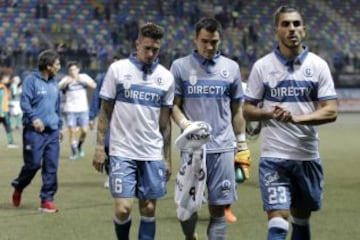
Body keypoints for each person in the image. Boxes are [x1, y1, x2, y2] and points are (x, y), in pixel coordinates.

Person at [243, 6, 338, 240]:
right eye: (285, 24)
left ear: (304, 30)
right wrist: (269, 113)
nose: (291, 29)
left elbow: (331, 111)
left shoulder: (318, 66)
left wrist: (296, 118)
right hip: (274, 158)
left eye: (296, 24)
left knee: (301, 220)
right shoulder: (262, 67)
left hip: (307, 156)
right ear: (277, 31)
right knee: (278, 220)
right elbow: (247, 110)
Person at [92, 22, 174, 240]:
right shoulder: (117, 70)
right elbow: (105, 112)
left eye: (155, 49)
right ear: (137, 43)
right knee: (123, 209)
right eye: (146, 47)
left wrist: (167, 159)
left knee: (148, 209)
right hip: (122, 151)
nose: (150, 53)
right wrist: (100, 146)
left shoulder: (166, 77)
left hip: (152, 153)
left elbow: (165, 123)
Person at [170, 17, 250, 239]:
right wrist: (186, 124)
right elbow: (173, 107)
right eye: (204, 41)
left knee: (218, 209)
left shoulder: (231, 68)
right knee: (187, 209)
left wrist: (242, 144)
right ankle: (189, 237)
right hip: (192, 149)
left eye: (214, 42)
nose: (209, 47)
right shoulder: (179, 67)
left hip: (223, 148)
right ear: (195, 39)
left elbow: (236, 110)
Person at [11, 49, 62, 213]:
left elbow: (56, 107)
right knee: (33, 164)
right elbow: (24, 103)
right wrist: (34, 118)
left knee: (51, 166)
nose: (59, 67)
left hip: (52, 132)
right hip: (34, 132)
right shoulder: (31, 80)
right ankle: (19, 185)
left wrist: (59, 125)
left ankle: (47, 200)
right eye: (57, 64)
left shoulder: (55, 82)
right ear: (48, 66)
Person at [89, 55, 120, 188]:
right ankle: (110, 174)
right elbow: (96, 97)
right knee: (107, 145)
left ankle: (120, 174)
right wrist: (91, 116)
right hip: (107, 116)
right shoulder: (103, 78)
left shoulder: (128, 79)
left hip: (123, 118)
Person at [59, 61, 96, 160]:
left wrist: (82, 81)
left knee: (84, 131)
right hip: (70, 109)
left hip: (83, 108)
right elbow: (58, 87)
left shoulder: (84, 77)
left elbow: (94, 85)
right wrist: (67, 82)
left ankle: (79, 146)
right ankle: (74, 152)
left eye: (74, 69)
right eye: (70, 70)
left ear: (78, 70)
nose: (72, 72)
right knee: (72, 131)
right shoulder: (66, 79)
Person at [0, 71, 18, 148]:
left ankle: (10, 142)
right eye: (7, 78)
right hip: (3, 111)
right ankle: (10, 143)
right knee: (8, 127)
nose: (8, 79)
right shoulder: (1, 88)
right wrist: (1, 112)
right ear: (2, 79)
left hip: (5, 110)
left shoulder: (4, 87)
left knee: (8, 127)